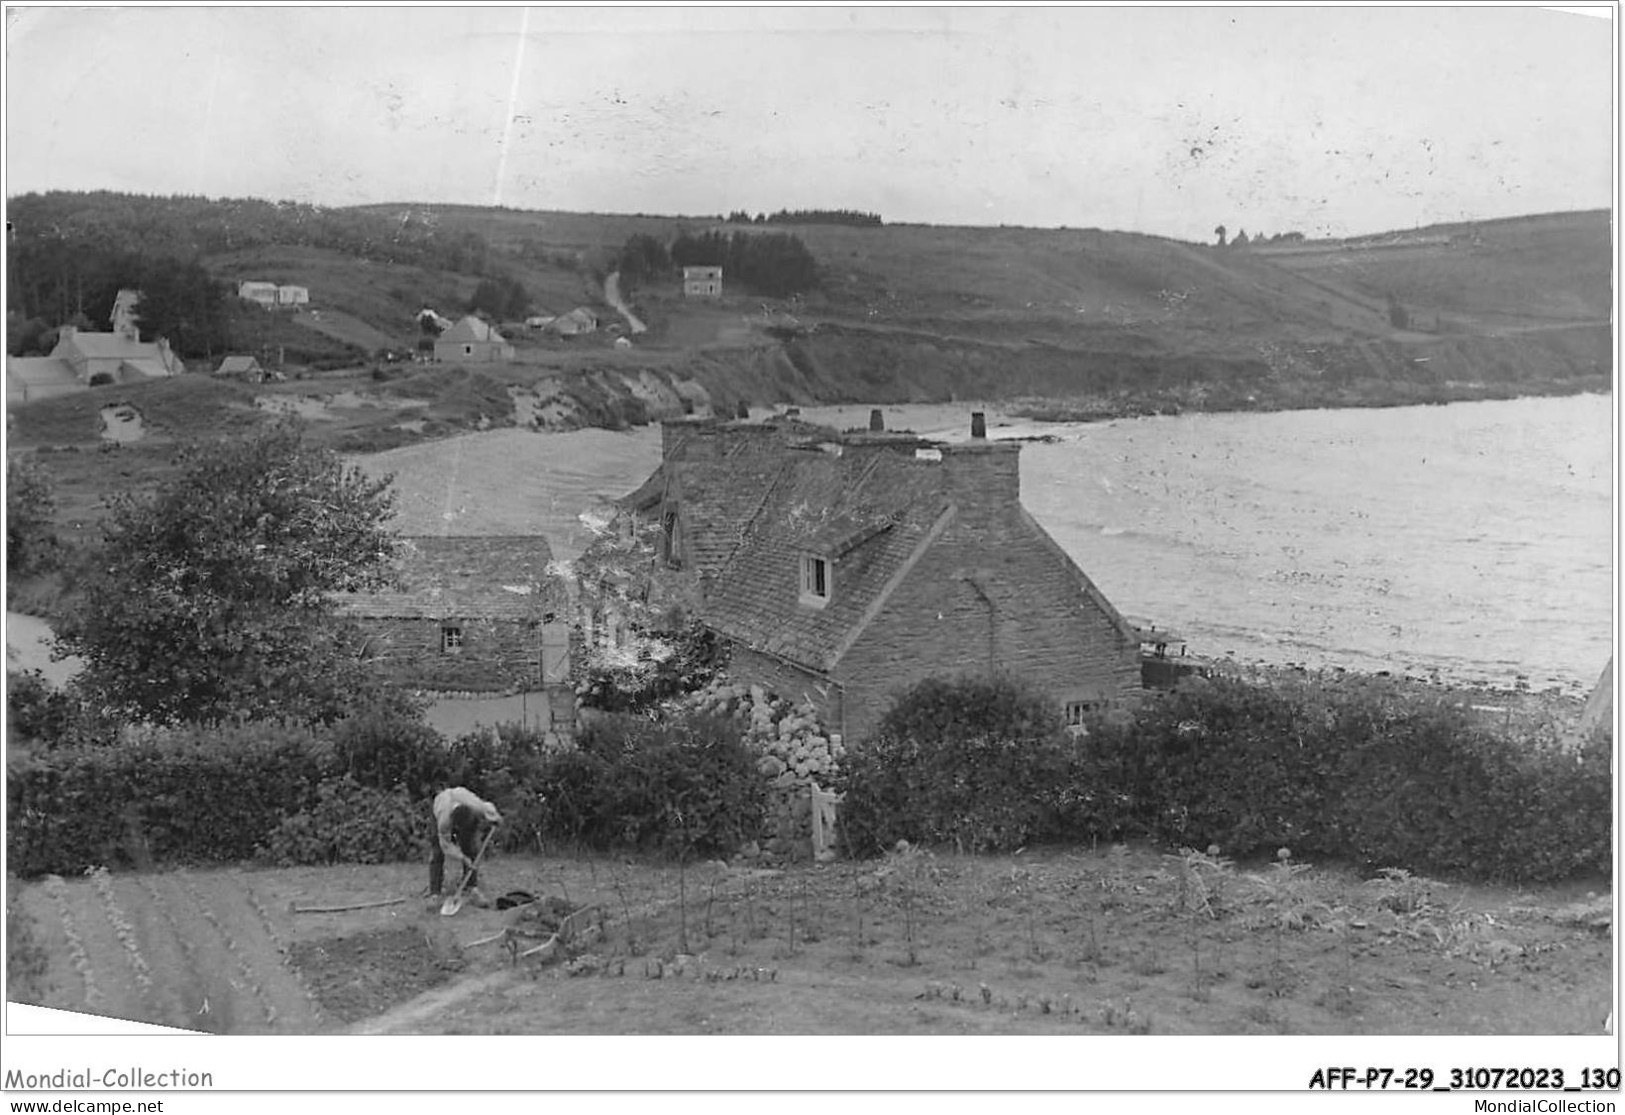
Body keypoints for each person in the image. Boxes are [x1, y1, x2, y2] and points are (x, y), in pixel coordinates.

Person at [429, 787, 502, 906]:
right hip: (441, 805)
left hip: (467, 807)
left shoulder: (476, 806)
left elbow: (489, 809)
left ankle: (472, 889)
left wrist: (496, 819)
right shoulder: (444, 819)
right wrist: (462, 857)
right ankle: (435, 894)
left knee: (470, 847)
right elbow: (445, 846)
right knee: (437, 852)